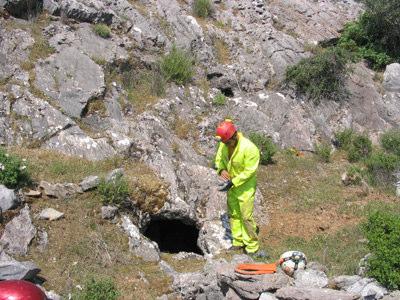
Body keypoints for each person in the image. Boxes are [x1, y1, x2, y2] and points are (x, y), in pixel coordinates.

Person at [214, 119, 266, 258]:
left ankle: (252, 246)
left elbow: (250, 171)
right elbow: (219, 159)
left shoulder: (250, 148)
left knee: (246, 217)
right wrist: (221, 170)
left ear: (234, 136)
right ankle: (238, 241)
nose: (224, 145)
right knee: (234, 214)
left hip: (245, 188)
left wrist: (234, 182)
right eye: (223, 143)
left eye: (226, 142)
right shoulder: (224, 144)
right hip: (232, 187)